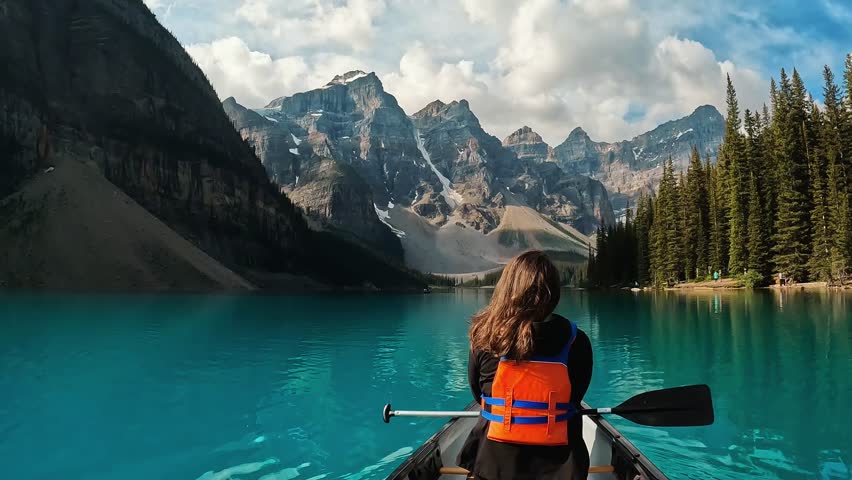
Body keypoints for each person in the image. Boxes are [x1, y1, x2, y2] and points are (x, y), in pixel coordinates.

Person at [457, 250, 594, 480]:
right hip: (561, 469)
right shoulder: (576, 342)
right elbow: (575, 396)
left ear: (507, 290)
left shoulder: (484, 339)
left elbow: (479, 395)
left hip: (493, 467)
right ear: (553, 293)